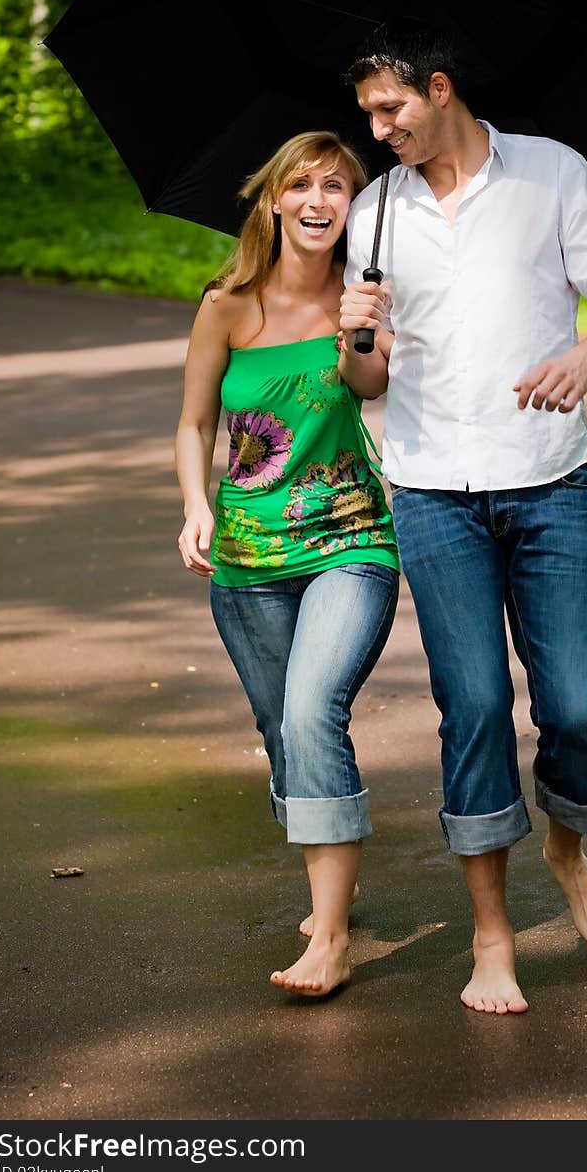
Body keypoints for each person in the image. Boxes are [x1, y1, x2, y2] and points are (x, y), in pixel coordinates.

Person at [338, 22, 587, 1015]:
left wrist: (585, 358)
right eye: (367, 116)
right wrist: (358, 338)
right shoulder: (375, 212)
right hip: (432, 490)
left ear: (438, 88)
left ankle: (564, 849)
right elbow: (367, 382)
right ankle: (491, 934)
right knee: (471, 707)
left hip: (550, 477)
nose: (378, 129)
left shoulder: (553, 174)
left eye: (390, 108)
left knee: (570, 705)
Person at [176, 130, 400, 999]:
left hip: (350, 541)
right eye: (302, 185)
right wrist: (197, 505)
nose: (318, 200)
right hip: (245, 556)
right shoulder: (227, 304)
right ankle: (326, 873)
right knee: (280, 733)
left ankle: (333, 936)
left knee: (312, 714)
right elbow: (195, 423)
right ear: (273, 199)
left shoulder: (366, 298)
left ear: (356, 206)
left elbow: (373, 389)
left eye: (338, 188)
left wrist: (360, 334)